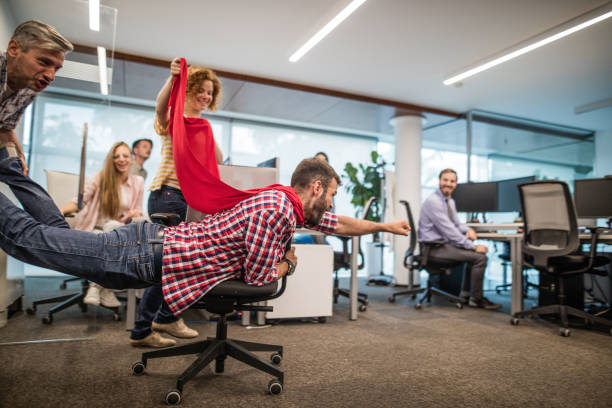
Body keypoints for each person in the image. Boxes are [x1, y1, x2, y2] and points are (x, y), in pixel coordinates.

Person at [0, 153, 410, 336]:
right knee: (30, 240)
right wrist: (289, 263)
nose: (333, 205)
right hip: (142, 254)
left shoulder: (284, 198)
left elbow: (340, 224)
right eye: (332, 195)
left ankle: (10, 169)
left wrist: (385, 227)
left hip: (151, 247)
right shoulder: (279, 212)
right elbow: (260, 274)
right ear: (317, 187)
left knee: (52, 232)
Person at [128, 59, 225, 347]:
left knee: (176, 262)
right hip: (169, 194)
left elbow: (218, 159)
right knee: (171, 263)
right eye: (202, 90)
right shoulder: (175, 118)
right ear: (190, 89)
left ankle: (160, 321)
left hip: (181, 197)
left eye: (210, 93)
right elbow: (160, 107)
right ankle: (151, 325)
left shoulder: (199, 125)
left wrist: (205, 133)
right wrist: (173, 80)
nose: (206, 96)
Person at [60, 142, 144, 308]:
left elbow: (138, 209)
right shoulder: (99, 178)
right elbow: (79, 202)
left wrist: (136, 214)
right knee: (114, 234)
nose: (121, 160)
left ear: (131, 159)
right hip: (93, 231)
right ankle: (105, 288)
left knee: (116, 228)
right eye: (117, 156)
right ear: (111, 160)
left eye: (125, 156)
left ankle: (96, 286)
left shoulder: (138, 181)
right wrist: (60, 211)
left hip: (118, 232)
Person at [418, 168, 501, 310]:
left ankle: (465, 295)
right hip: (432, 249)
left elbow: (456, 224)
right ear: (439, 181)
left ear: (456, 184)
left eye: (452, 181)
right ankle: (476, 299)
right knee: (479, 257)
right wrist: (473, 246)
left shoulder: (450, 201)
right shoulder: (434, 201)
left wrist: (468, 229)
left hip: (443, 245)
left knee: (475, 256)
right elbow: (449, 231)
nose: (448, 184)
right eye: (445, 180)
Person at [0, 20, 72, 174]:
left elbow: (5, 127)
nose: (51, 76)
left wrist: (19, 156)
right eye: (44, 62)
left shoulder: (30, 88)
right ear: (14, 49)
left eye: (56, 69)